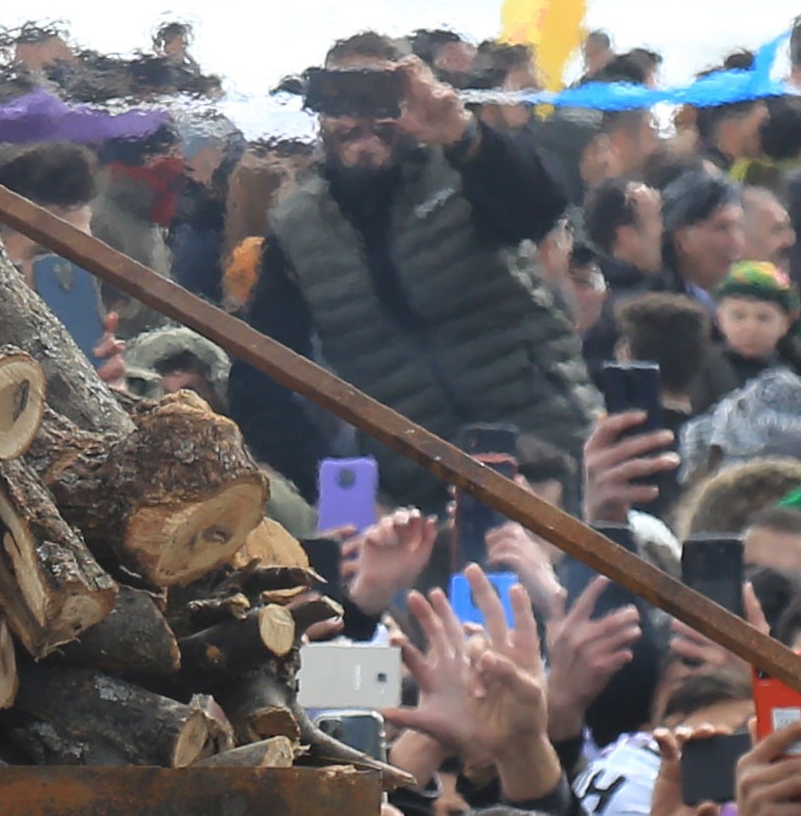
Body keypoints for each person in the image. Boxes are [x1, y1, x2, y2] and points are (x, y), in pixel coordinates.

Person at [253, 42, 593, 512]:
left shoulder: (460, 167)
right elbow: (260, 386)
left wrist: (459, 130)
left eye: (379, 98)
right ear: (319, 111)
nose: (361, 119)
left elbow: (540, 209)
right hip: (423, 499)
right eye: (341, 100)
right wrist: (346, 498)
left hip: (554, 456)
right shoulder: (296, 226)